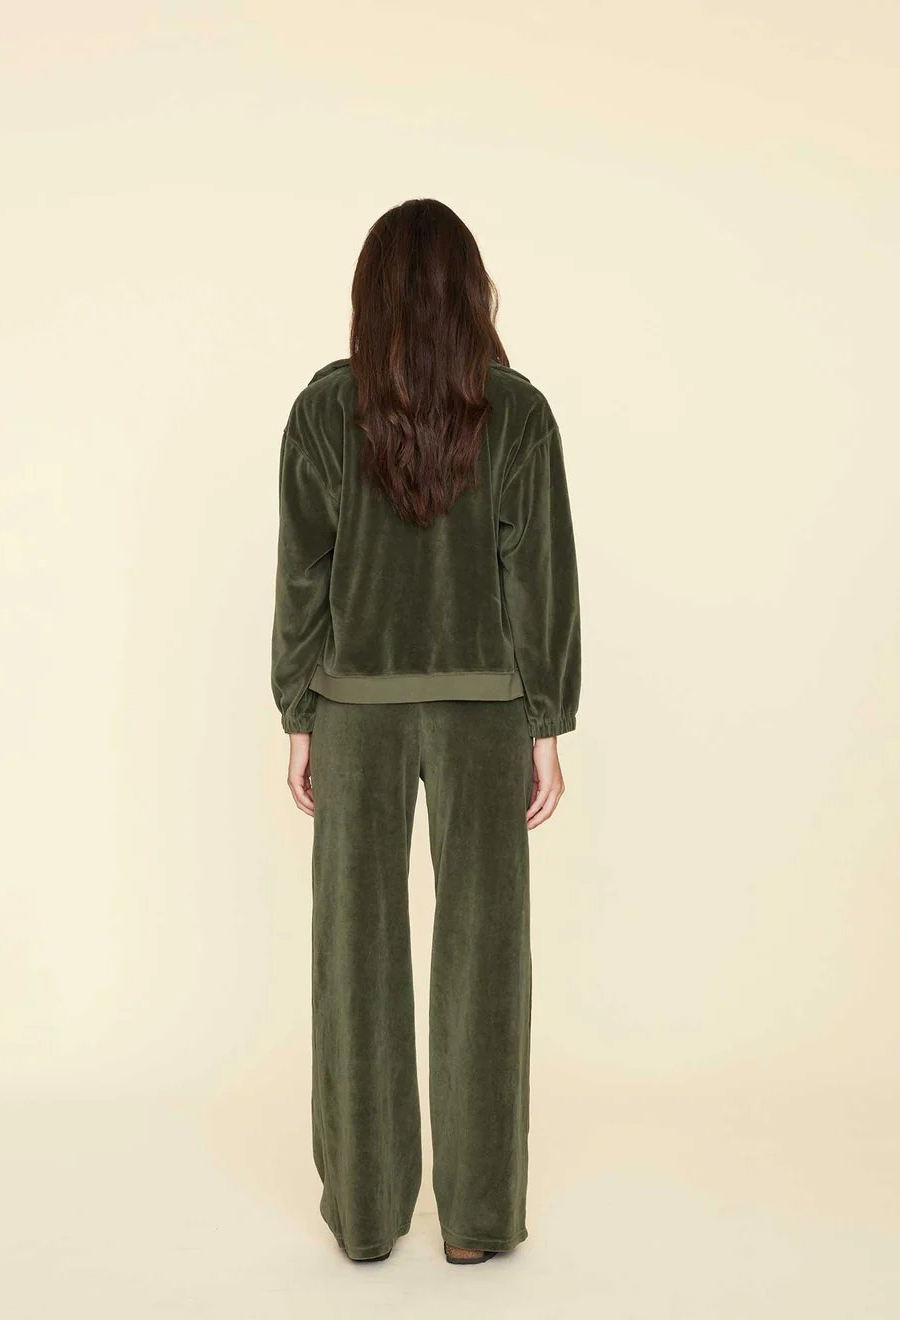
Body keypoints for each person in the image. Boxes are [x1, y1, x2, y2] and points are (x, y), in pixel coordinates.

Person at [270, 198, 582, 1266]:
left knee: (354, 954)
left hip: (354, 709)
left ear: (370, 295)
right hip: (484, 711)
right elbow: (538, 576)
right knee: (485, 957)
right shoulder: (518, 412)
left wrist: (298, 712)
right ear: (471, 292)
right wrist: (546, 721)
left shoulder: (323, 410)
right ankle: (480, 1221)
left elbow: (302, 574)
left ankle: (366, 1214)